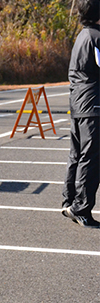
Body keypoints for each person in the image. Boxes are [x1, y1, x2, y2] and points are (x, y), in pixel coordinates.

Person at [63, 0, 100, 228]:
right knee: (91, 157)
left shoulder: (82, 36)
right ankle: (81, 208)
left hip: (78, 103)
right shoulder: (96, 36)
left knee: (76, 154)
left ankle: (69, 201)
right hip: (94, 105)